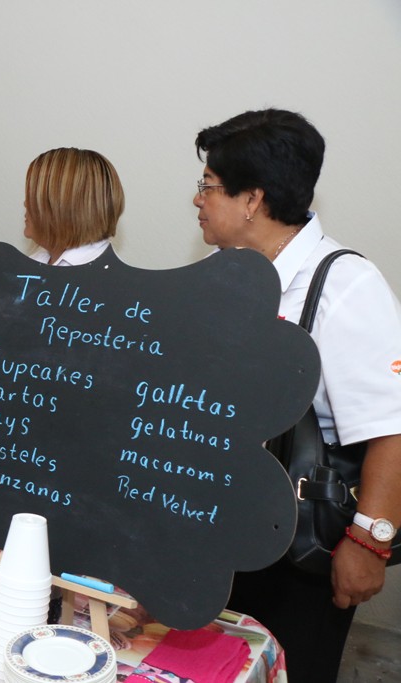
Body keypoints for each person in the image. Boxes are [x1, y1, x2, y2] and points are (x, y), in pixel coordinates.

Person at [193, 108, 401, 683]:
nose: (197, 200)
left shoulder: (345, 284)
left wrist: (369, 543)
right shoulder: (221, 272)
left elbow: (391, 426)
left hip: (301, 546)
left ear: (251, 199)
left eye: (208, 186)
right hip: (221, 523)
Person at [23, 147, 124, 266]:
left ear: (63, 207)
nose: (25, 203)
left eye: (34, 196)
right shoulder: (35, 261)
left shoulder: (103, 281)